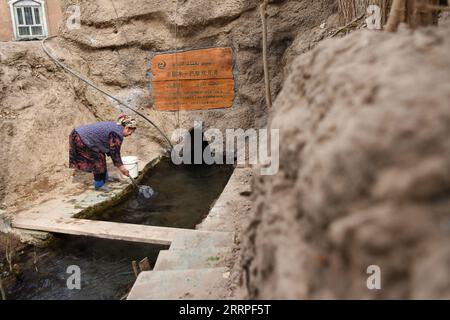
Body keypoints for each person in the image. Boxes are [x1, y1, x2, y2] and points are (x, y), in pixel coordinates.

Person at [69, 114, 136, 192]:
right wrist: (122, 168)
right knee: (98, 161)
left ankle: (105, 178)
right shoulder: (117, 133)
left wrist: (118, 164)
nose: (130, 134)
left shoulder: (117, 128)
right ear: (127, 128)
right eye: (131, 132)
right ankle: (99, 185)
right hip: (80, 138)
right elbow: (115, 152)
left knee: (101, 156)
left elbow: (112, 150)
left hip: (82, 135)